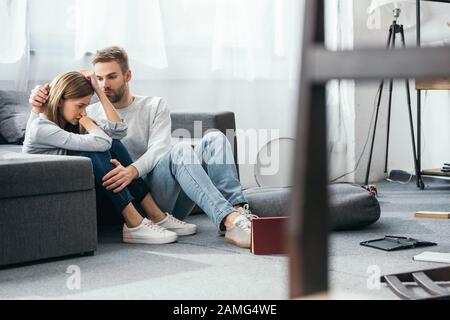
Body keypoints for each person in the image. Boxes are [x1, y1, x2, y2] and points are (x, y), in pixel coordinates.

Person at [29, 46, 257, 249]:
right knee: (180, 150)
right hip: (132, 193)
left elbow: (158, 150)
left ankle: (238, 211)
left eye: (111, 77)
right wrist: (37, 102)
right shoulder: (88, 112)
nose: (105, 84)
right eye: (98, 79)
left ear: (128, 75)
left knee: (214, 138)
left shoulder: (154, 104)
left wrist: (133, 170)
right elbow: (104, 135)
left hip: (153, 184)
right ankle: (228, 218)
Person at [24, 71, 196, 245]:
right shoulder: (41, 127)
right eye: (80, 106)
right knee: (93, 148)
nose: (83, 113)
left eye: (86, 106)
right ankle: (134, 224)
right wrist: (90, 124)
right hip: (53, 189)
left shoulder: (71, 123)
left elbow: (119, 131)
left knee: (113, 143)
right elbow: (101, 143)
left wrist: (99, 91)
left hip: (93, 193)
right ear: (60, 101)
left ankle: (156, 215)